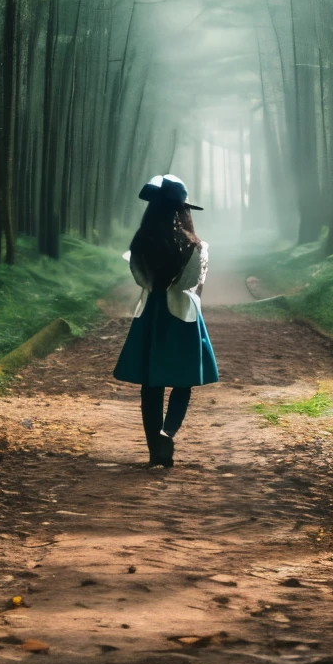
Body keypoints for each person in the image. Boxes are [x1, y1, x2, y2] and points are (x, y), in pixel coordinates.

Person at [113, 175, 219, 467]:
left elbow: (141, 278)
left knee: (151, 383)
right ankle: (167, 432)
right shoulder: (194, 246)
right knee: (183, 379)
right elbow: (196, 284)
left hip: (152, 311)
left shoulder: (141, 242)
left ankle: (154, 449)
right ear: (181, 210)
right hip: (183, 314)